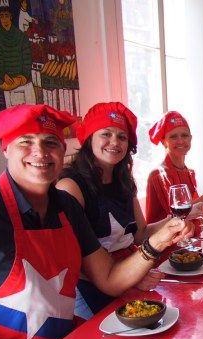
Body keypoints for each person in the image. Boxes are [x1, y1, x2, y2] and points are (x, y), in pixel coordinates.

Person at [0, 104, 191, 339]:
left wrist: (157, 243)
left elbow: (108, 279)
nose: (40, 153)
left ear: (63, 149)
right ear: (5, 149)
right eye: (26, 142)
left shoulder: (65, 207)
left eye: (50, 143)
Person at [55, 102, 176, 321]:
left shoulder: (124, 181)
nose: (115, 142)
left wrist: (174, 220)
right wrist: (130, 276)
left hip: (128, 273)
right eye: (106, 134)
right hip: (87, 288)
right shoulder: (70, 187)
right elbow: (72, 261)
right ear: (89, 138)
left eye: (122, 137)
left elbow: (140, 234)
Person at [145, 111, 203, 224]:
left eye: (184, 135)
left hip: (189, 233)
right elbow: (177, 216)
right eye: (173, 136)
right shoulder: (160, 175)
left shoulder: (189, 172)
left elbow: (194, 210)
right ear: (164, 142)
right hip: (168, 235)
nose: (180, 141)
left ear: (190, 138)